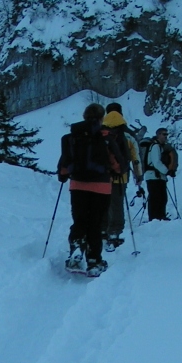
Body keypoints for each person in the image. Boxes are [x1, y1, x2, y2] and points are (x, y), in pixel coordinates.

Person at [57, 103, 122, 276]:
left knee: (79, 220)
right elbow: (117, 165)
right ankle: (94, 262)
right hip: (101, 188)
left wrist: (63, 175)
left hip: (78, 186)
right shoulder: (106, 138)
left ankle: (77, 248)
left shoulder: (71, 137)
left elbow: (64, 163)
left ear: (84, 116)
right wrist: (117, 172)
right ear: (102, 118)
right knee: (95, 224)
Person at [102, 102, 141, 251]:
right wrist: (138, 175)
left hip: (102, 177)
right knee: (117, 204)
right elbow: (136, 157)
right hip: (121, 176)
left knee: (103, 204)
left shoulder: (101, 132)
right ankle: (114, 232)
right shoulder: (128, 134)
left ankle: (102, 231)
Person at [140, 127, 179, 221]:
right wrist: (167, 171)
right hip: (154, 176)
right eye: (164, 134)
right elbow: (156, 162)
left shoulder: (158, 146)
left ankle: (159, 217)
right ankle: (155, 218)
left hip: (157, 176)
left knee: (161, 198)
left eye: (166, 134)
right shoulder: (155, 146)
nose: (166, 136)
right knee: (157, 198)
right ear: (158, 135)